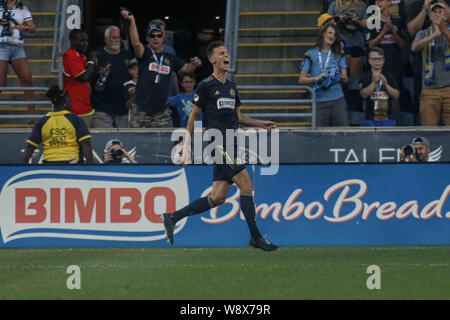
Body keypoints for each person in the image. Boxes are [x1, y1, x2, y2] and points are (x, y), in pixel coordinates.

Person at [161, 41, 279, 251]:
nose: (227, 56)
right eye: (222, 53)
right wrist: (187, 145)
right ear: (212, 59)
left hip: (232, 143)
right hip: (218, 143)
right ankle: (255, 237)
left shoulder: (231, 86)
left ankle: (172, 217)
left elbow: (238, 117)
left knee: (217, 198)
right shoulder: (206, 86)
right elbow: (193, 117)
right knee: (246, 185)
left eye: (227, 53)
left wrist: (261, 123)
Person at [120, 8, 202, 128]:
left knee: (164, 144)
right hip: (141, 110)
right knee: (136, 143)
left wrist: (196, 63)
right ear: (147, 38)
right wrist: (132, 20)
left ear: (163, 37)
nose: (156, 38)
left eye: (159, 35)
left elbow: (186, 69)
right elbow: (136, 43)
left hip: (161, 111)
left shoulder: (170, 57)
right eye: (152, 36)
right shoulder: (145, 53)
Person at [21, 85, 93, 164]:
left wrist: (22, 168)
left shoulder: (42, 121)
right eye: (69, 100)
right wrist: (90, 166)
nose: (71, 103)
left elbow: (30, 147)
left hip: (49, 164)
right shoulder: (75, 119)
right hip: (72, 163)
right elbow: (86, 143)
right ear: (64, 103)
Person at [299, 23, 349, 126]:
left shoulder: (339, 53)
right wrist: (317, 78)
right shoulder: (311, 53)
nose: (332, 36)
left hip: (337, 99)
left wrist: (335, 75)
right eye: (330, 33)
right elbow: (301, 80)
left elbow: (345, 78)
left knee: (343, 132)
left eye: (335, 35)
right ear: (322, 33)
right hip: (318, 100)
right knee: (319, 135)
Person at [366, 0, 406, 123]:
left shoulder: (398, 20)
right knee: (377, 94)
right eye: (377, 1)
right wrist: (383, 32)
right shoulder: (372, 22)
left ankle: (396, 122)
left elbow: (403, 45)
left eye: (382, 0)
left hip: (394, 64)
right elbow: (370, 45)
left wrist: (393, 31)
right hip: (377, 66)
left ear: (389, 3)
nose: (378, 3)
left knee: (395, 95)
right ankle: (378, 121)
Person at [411, 2, 450, 125]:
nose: (437, 14)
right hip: (429, 91)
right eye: (434, 12)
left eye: (440, 11)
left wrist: (443, 29)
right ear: (429, 15)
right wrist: (433, 36)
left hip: (449, 88)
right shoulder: (423, 33)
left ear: (447, 14)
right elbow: (414, 47)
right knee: (429, 131)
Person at [91, 25, 133, 128]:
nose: (117, 40)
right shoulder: (97, 56)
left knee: (124, 142)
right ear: (106, 39)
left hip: (123, 108)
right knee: (104, 140)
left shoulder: (127, 55)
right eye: (114, 37)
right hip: (102, 107)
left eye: (118, 37)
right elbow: (89, 80)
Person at [0, 0, 36, 117]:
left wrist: (23, 27)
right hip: (1, 46)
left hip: (17, 46)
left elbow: (32, 27)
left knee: (27, 80)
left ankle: (32, 117)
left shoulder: (23, 9)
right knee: (0, 83)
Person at [63, 29, 104, 128]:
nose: (86, 44)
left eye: (87, 41)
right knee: (83, 141)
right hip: (76, 110)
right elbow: (83, 77)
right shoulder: (70, 54)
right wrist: (91, 62)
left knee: (103, 135)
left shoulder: (81, 55)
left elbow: (88, 77)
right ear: (72, 41)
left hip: (87, 108)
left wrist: (97, 69)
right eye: (82, 41)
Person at [360, 47, 400, 126]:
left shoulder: (389, 75)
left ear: (383, 60)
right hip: (370, 118)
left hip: (387, 118)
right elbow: (363, 94)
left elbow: (396, 95)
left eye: (379, 59)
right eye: (374, 59)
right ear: (369, 61)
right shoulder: (366, 76)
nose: (377, 62)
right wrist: (374, 83)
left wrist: (386, 85)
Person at [123, 57, 138, 124]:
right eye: (134, 69)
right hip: (134, 116)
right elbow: (128, 105)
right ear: (129, 71)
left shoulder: (149, 83)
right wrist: (135, 95)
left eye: (140, 68)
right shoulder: (127, 85)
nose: (137, 71)